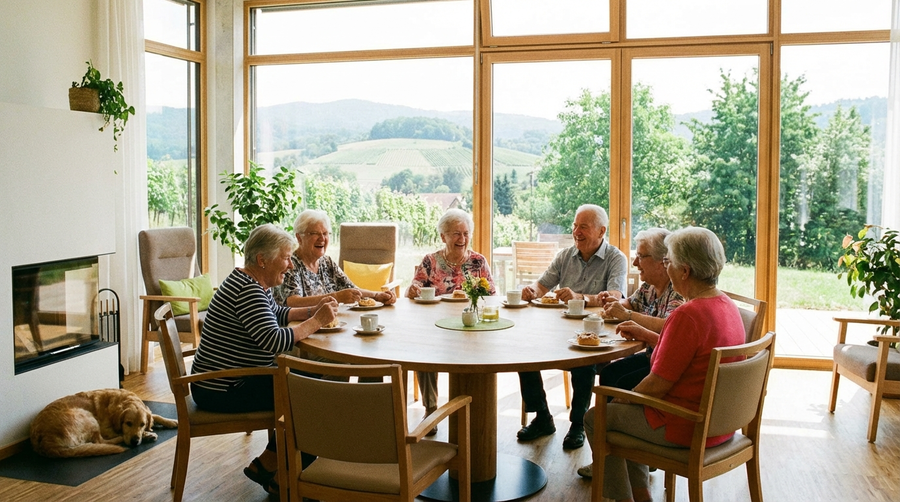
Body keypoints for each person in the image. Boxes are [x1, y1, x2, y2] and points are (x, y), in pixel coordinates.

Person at [579, 227, 746, 502]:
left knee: (597, 418)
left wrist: (623, 402)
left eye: (669, 262)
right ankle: (642, 496)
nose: (667, 268)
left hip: (684, 424)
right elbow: (691, 354)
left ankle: (622, 499)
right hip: (721, 424)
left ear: (685, 271)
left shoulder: (687, 315)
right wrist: (649, 336)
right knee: (618, 414)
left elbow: (656, 386)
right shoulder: (725, 304)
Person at [189, 224, 338, 496]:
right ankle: (285, 478)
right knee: (318, 398)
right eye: (285, 258)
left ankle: (270, 465)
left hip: (230, 380)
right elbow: (275, 341)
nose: (291, 265)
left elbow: (276, 314)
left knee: (314, 388)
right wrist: (317, 321)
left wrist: (310, 311)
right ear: (262, 260)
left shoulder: (251, 282)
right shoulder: (247, 290)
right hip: (222, 389)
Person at [517, 204, 627, 450]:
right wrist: (532, 291)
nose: (576, 231)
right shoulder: (565, 256)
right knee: (523, 353)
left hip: (596, 336)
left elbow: (615, 297)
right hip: (558, 331)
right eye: (575, 226)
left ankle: (577, 423)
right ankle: (543, 416)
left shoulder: (615, 258)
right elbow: (543, 285)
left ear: (601, 231)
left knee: (583, 363)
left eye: (583, 227)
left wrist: (582, 297)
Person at [405, 208, 496, 435]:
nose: (462, 239)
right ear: (443, 236)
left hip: (470, 327)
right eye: (456, 233)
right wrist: (413, 290)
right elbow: (413, 291)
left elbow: (493, 295)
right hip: (435, 327)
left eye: (466, 233)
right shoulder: (430, 261)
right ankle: (431, 409)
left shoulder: (478, 262)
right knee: (422, 351)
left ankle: (473, 410)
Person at [598, 228, 685, 394]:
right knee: (609, 373)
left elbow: (668, 325)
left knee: (618, 380)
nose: (635, 263)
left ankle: (618, 415)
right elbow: (631, 303)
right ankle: (608, 417)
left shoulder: (677, 289)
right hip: (652, 355)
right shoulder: (649, 286)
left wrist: (627, 316)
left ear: (662, 261)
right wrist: (614, 302)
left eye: (641, 256)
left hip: (666, 364)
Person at [272, 209, 396, 308]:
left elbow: (351, 289)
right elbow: (292, 302)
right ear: (299, 238)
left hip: (329, 325)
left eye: (325, 233)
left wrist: (377, 295)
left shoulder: (327, 262)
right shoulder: (290, 264)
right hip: (299, 328)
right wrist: (336, 296)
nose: (322, 238)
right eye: (315, 233)